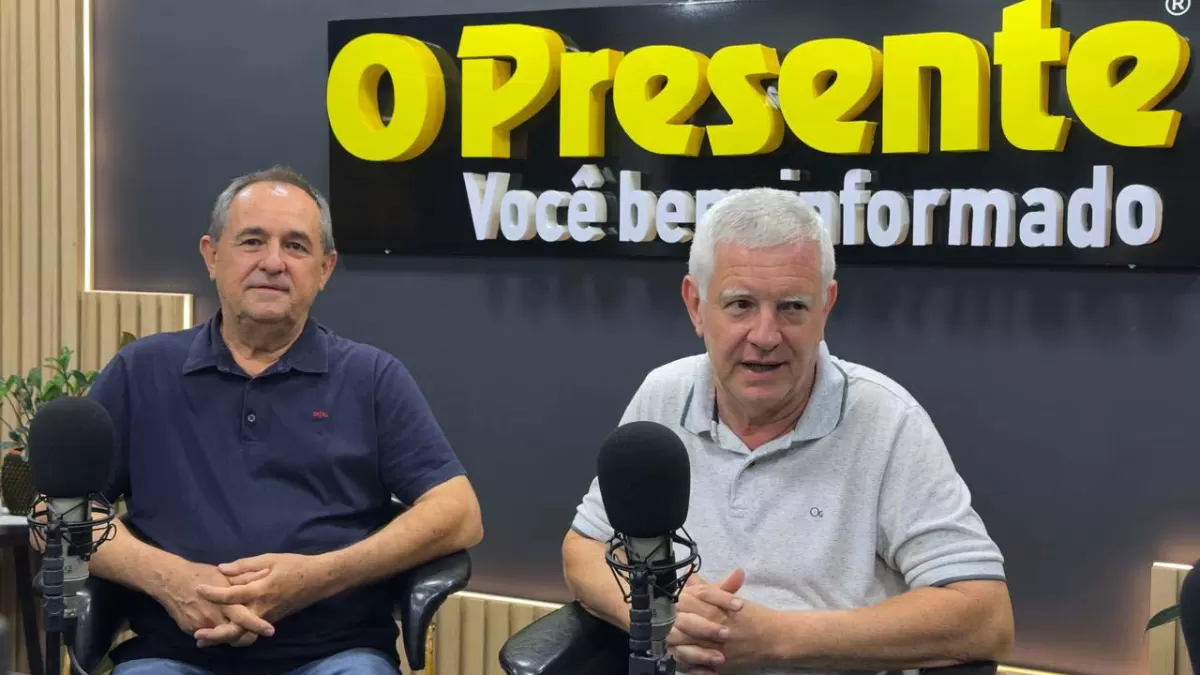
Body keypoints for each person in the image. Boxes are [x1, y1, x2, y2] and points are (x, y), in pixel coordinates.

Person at [563, 188, 1014, 675]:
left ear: (826, 307)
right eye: (740, 304)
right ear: (696, 305)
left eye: (792, 307)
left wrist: (778, 639)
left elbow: (985, 617)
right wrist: (663, 617)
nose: (765, 336)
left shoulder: (887, 421)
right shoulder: (663, 395)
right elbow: (584, 549)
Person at [80, 166, 483, 674]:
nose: (272, 263)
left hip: (336, 655)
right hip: (172, 654)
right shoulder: (141, 370)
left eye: (295, 246)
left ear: (325, 268)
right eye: (252, 241)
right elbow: (56, 512)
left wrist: (317, 577)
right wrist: (169, 578)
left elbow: (459, 514)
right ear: (211, 255)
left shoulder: (372, 377)